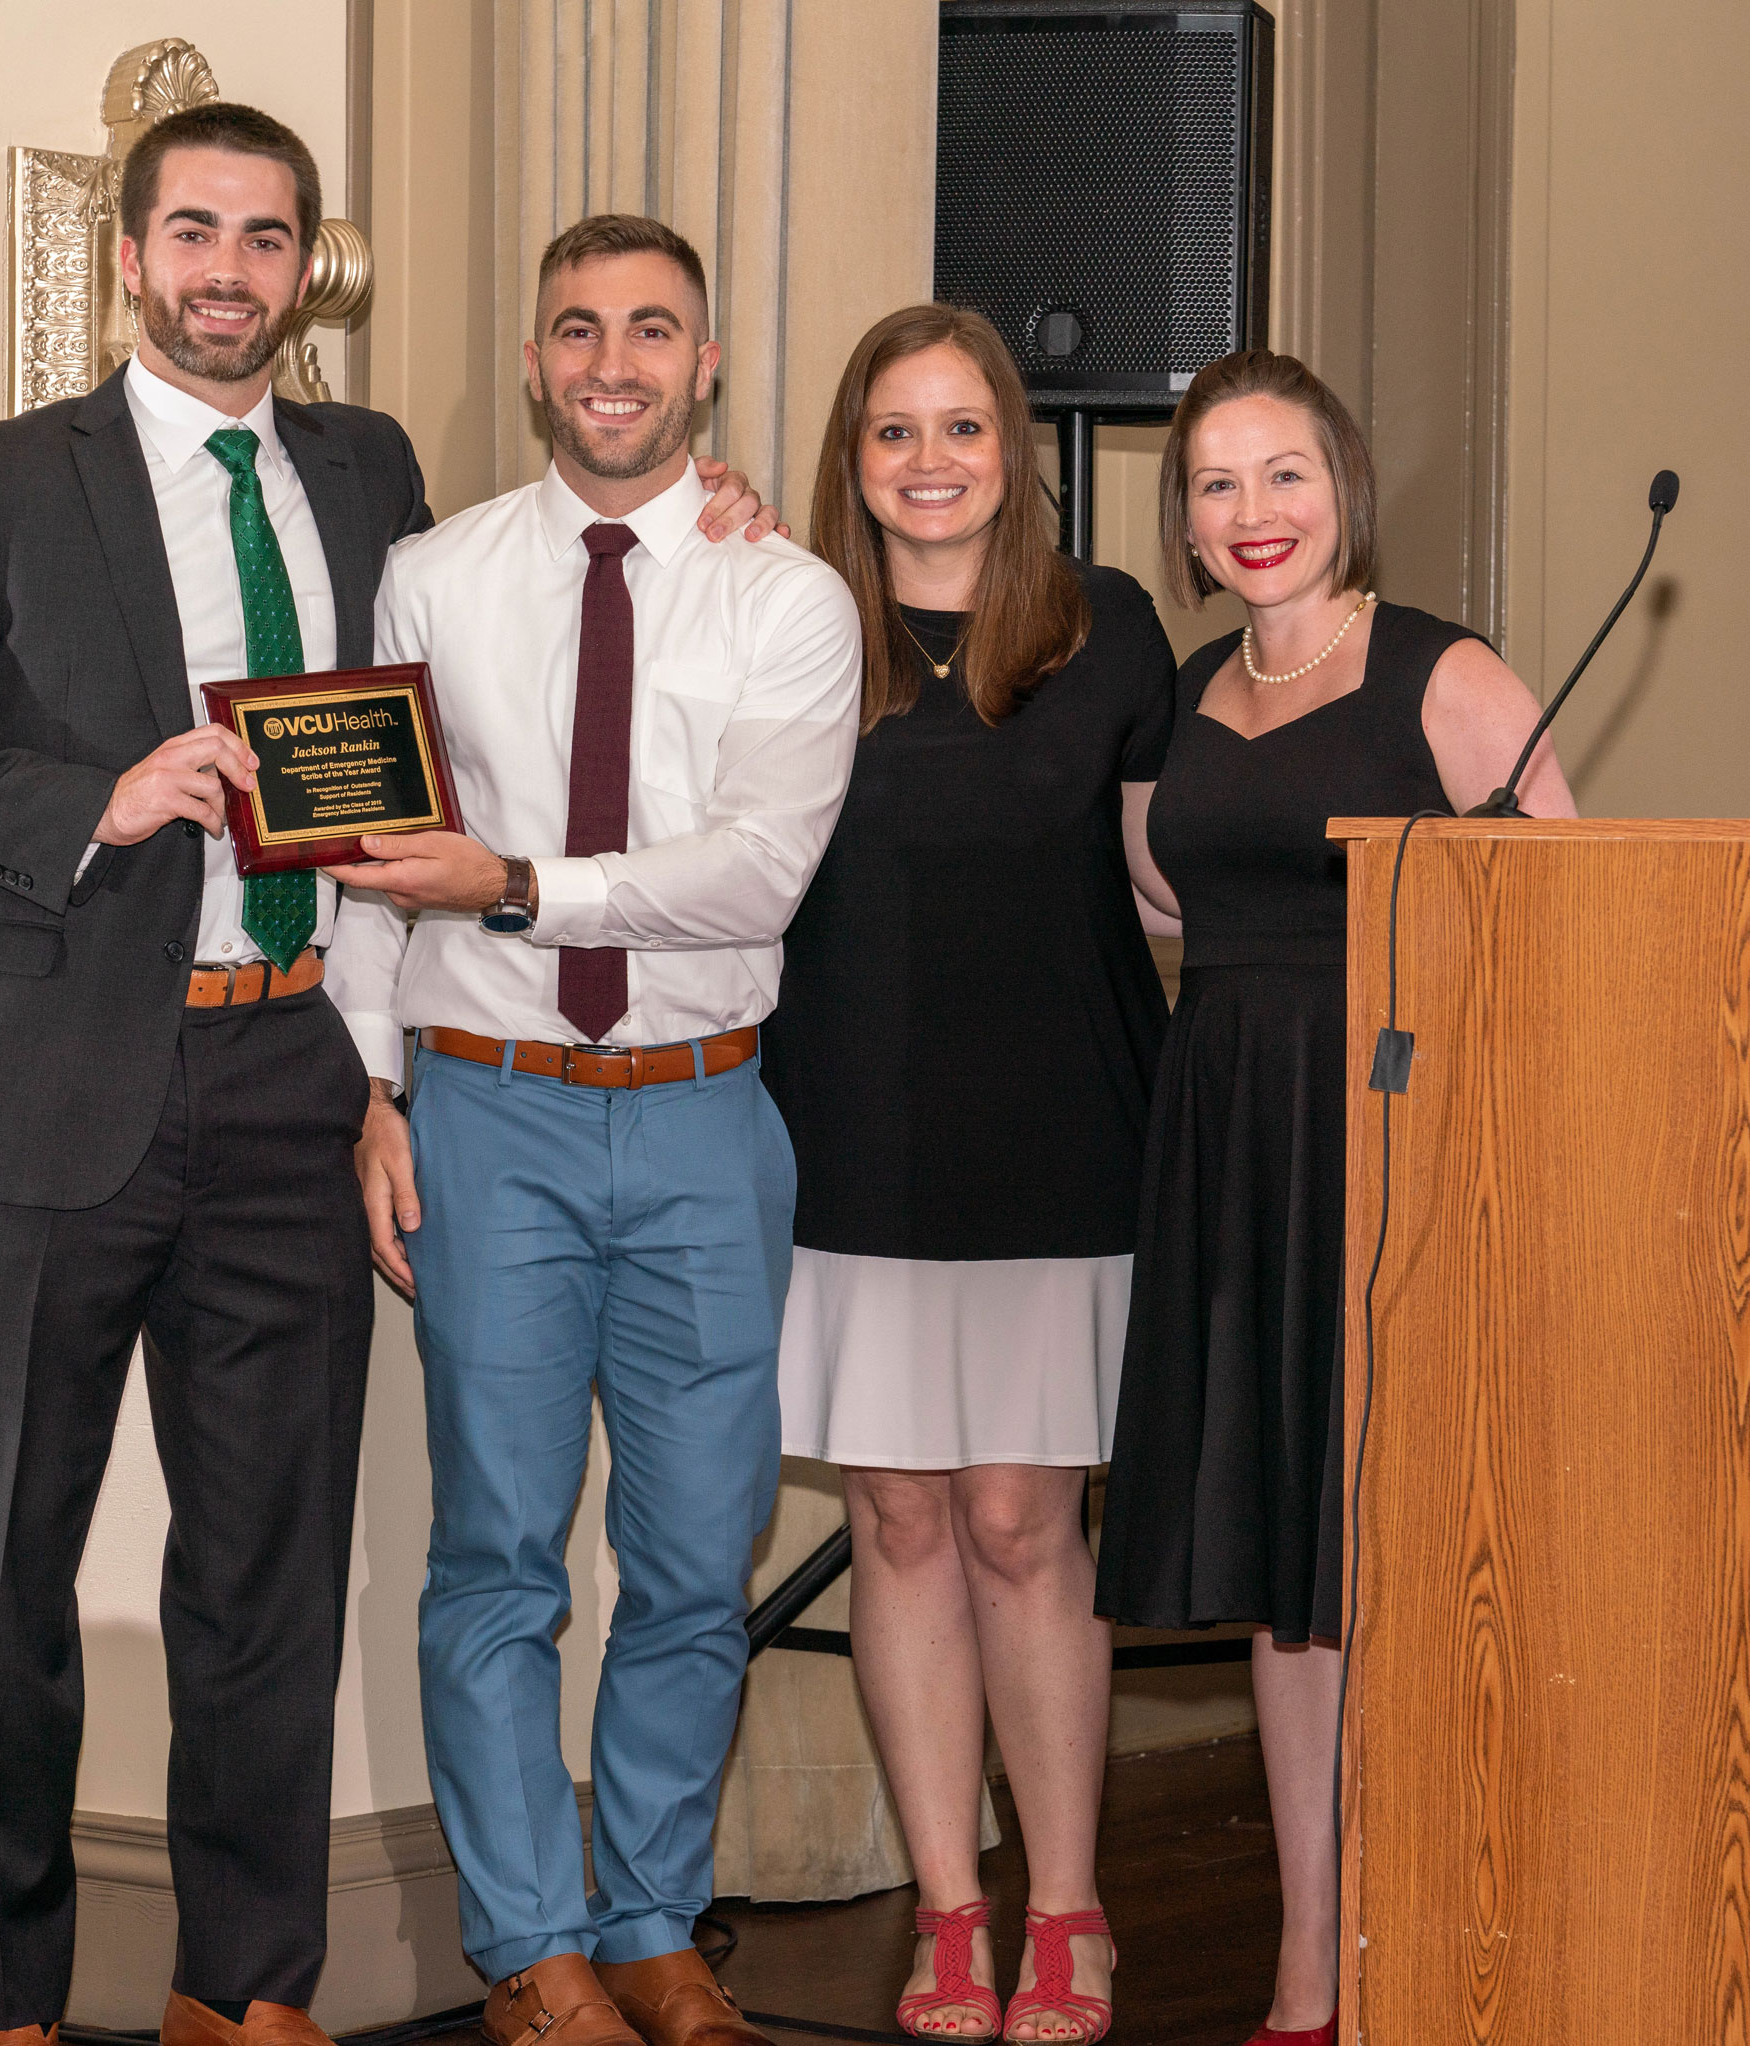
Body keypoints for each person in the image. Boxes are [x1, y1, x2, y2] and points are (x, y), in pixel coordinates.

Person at [0, 113, 774, 2046]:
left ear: (309, 265)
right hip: (45, 1097)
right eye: (196, 231)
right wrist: (96, 795)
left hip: (292, 1082)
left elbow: (507, 642)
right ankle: (5, 2002)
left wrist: (697, 526)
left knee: (266, 1574)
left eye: (267, 235)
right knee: (3, 1574)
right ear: (137, 255)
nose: (229, 267)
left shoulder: (369, 468)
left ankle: (240, 1990)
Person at [322, 213, 861, 2046]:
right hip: (492, 1118)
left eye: (652, 329)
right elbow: (378, 872)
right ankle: (531, 1944)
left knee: (701, 1559)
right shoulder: (433, 577)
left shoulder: (788, 595)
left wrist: (522, 880)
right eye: (578, 329)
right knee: (496, 1554)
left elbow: (757, 874)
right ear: (540, 358)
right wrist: (377, 1088)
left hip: (714, 1125)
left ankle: (647, 1918)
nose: (612, 361)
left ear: (706, 363)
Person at [1092, 349, 1575, 2046]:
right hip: (1231, 1140)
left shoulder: (1443, 672)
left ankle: (1443, 1947)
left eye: (1283, 474)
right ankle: (1313, 1959)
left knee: (1407, 1558)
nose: (1253, 512)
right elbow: (1158, 885)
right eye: (1217, 485)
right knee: (1294, 1583)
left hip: (1403, 1150)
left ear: (1342, 486)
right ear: (1190, 525)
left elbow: (1567, 927)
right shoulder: (1188, 695)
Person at [757, 303, 1176, 2046]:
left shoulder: (1114, 628)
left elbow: (1168, 889)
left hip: (1064, 1131)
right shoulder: (786, 623)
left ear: (1015, 448)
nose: (930, 464)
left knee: (1022, 1521)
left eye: (962, 429)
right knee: (901, 1517)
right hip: (842, 1128)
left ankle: (1062, 1910)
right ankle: (948, 1912)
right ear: (851, 463)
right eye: (892, 433)